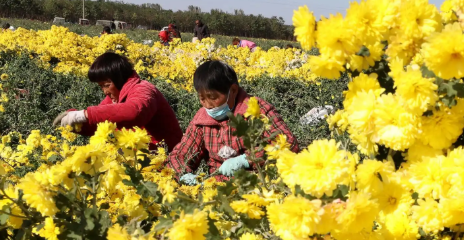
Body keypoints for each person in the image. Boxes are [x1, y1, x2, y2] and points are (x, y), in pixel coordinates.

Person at [169, 60, 299, 184]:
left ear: (233, 90)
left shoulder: (256, 110)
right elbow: (180, 155)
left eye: (213, 98)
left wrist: (247, 159)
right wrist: (183, 174)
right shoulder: (201, 121)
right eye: (202, 99)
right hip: (216, 188)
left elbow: (289, 144)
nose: (208, 105)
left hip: (258, 184)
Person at [52, 52, 183, 150]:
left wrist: (82, 115)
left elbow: (134, 112)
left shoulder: (143, 89)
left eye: (106, 85)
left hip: (166, 160)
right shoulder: (114, 97)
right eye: (101, 86)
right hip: (139, 159)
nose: (104, 91)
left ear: (119, 78)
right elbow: (100, 124)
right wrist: (76, 125)